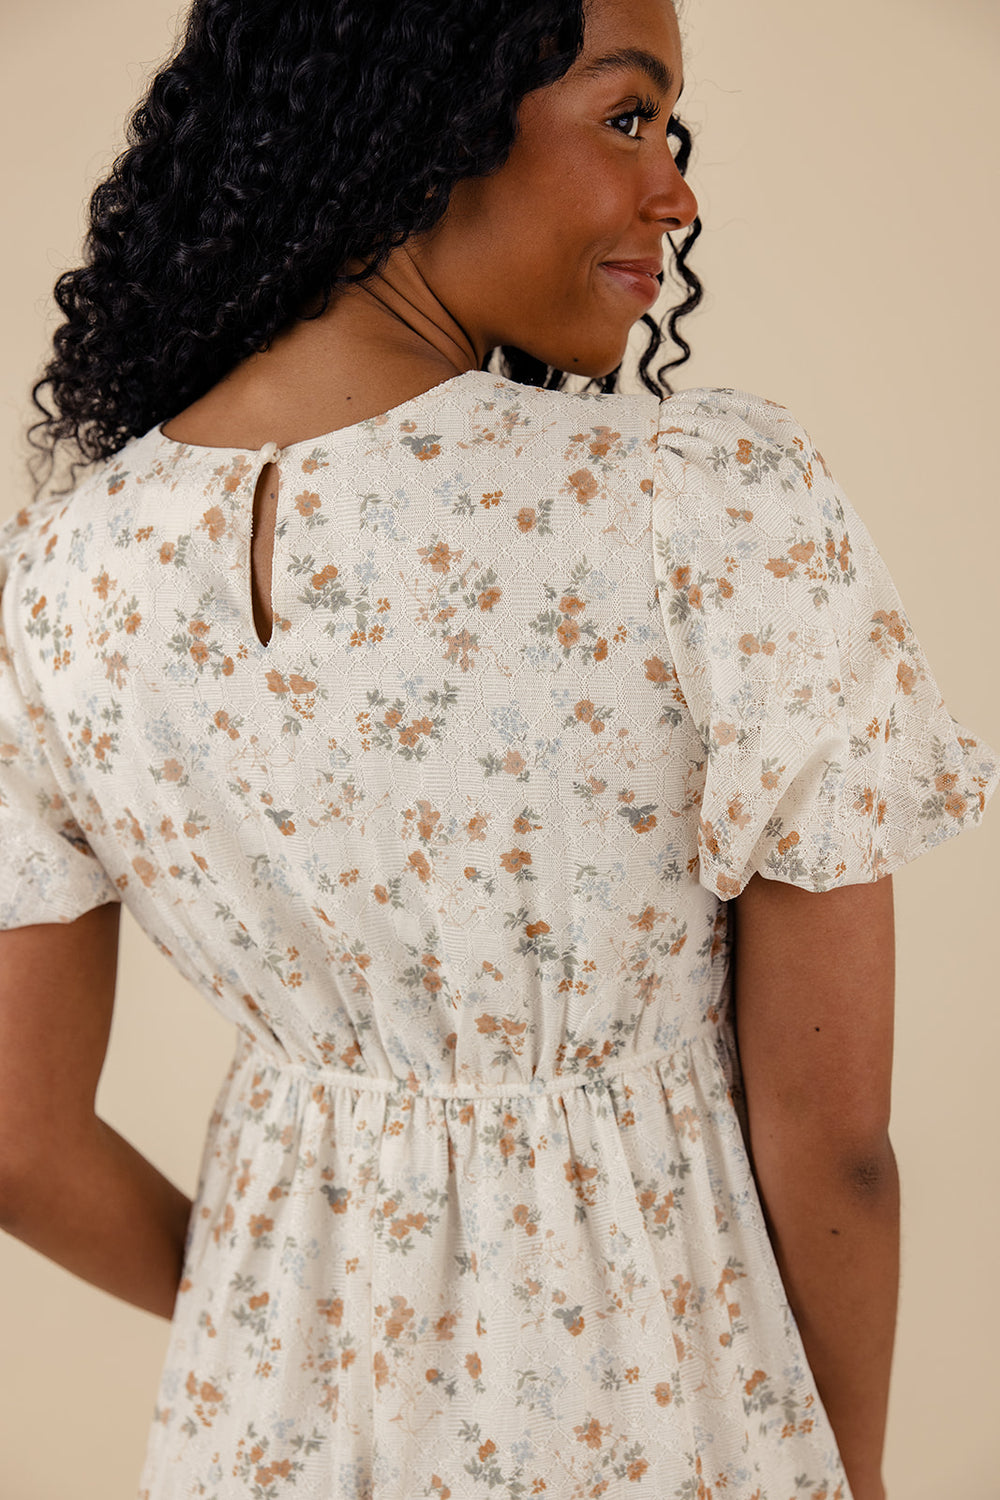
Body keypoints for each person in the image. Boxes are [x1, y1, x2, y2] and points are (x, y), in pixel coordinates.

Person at [1, 0, 996, 1495]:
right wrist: (849, 1472)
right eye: (628, 119)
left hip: (260, 1440)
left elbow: (17, 1137)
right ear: (424, 119)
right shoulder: (704, 507)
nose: (677, 191)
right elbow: (834, 1137)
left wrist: (285, 1313)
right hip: (665, 1417)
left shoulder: (60, 578)